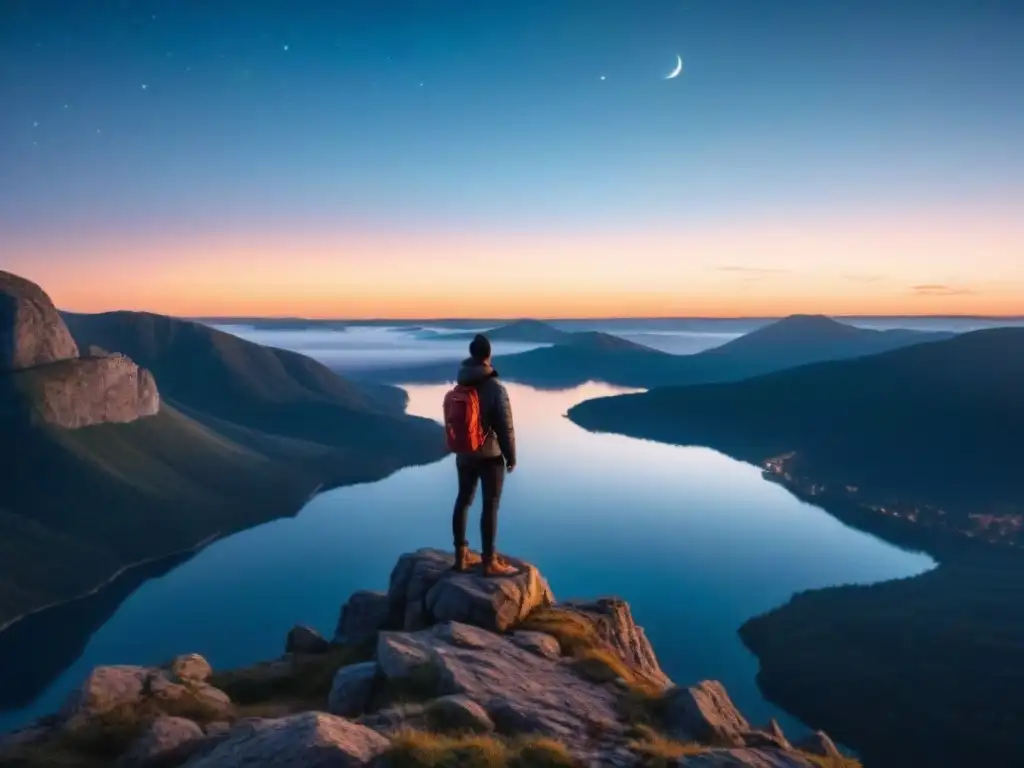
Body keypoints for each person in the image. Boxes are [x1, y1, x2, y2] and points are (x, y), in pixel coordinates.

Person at [448, 333, 517, 576]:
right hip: (490, 456)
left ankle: (460, 556)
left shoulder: (461, 383)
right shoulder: (496, 388)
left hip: (464, 453)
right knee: (490, 506)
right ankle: (489, 561)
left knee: (463, 500)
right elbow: (505, 427)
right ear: (488, 355)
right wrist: (511, 457)